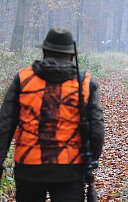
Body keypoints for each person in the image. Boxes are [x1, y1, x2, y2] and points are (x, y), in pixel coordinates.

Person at [0, 28, 105, 201]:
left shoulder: (23, 79)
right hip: (70, 168)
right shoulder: (85, 83)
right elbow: (97, 128)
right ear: (71, 56)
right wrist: (91, 159)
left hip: (28, 166)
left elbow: (5, 124)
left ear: (44, 52)